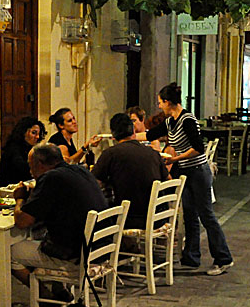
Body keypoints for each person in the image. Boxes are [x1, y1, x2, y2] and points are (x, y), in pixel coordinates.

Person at [137, 83, 234, 276]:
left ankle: (223, 258)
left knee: (206, 214)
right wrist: (123, 137)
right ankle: (191, 256)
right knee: (189, 214)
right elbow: (149, 134)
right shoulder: (170, 121)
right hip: (187, 172)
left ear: (168, 102)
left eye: (160, 103)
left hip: (198, 170)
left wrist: (176, 159)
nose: (159, 106)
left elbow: (198, 147)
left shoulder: (187, 119)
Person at [11, 143, 108, 269]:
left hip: (77, 255)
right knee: (41, 235)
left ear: (39, 164)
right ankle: (57, 288)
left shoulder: (50, 178)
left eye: (30, 166)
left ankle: (43, 290)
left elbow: (22, 222)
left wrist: (20, 198)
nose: (30, 172)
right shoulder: (80, 170)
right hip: (100, 248)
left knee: (10, 251)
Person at [92, 113, 169, 229]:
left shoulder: (111, 154)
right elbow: (169, 181)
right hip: (158, 217)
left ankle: (115, 246)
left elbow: (94, 183)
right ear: (133, 131)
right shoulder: (153, 153)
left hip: (128, 218)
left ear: (113, 135)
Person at [0, 117, 46, 186]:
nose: (37, 137)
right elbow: (23, 170)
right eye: (34, 133)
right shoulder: (13, 148)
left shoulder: (29, 147)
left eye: (39, 134)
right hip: (12, 186)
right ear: (23, 132)